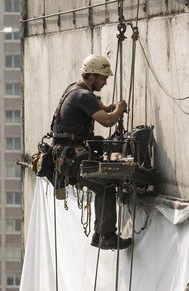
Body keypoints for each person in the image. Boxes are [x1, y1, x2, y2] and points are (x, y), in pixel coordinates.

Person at [50, 54, 132, 251]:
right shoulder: (83, 96)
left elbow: (100, 108)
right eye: (103, 78)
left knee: (99, 186)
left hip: (65, 155)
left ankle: (99, 234)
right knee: (105, 186)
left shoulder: (74, 89)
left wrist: (111, 107)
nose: (105, 83)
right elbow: (107, 120)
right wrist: (119, 109)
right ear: (92, 77)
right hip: (71, 158)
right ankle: (107, 236)